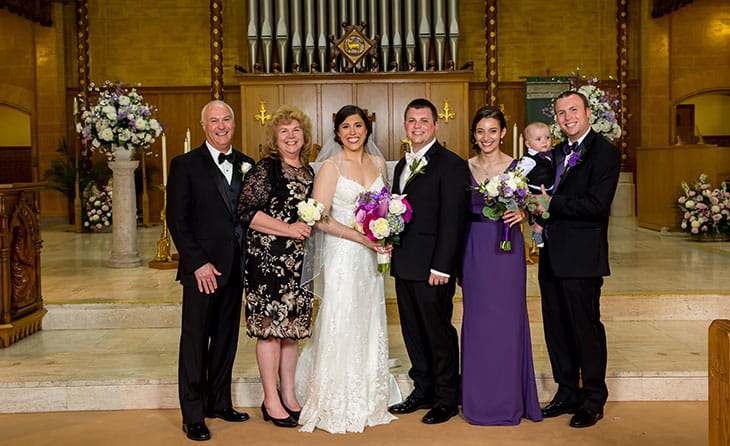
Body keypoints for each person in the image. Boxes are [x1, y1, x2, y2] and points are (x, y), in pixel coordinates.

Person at [295, 105, 397, 433]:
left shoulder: (378, 163)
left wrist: (383, 235)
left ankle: (369, 391)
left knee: (369, 317)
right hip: (343, 255)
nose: (352, 132)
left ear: (367, 129)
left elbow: (386, 209)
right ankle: (334, 395)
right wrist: (360, 237)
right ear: (337, 133)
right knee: (341, 316)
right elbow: (320, 217)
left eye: (358, 126)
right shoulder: (330, 166)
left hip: (370, 258)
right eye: (345, 127)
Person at [167, 100, 255, 441]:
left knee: (225, 339)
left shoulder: (248, 164)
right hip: (201, 269)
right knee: (194, 341)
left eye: (227, 120)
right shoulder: (185, 165)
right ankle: (193, 414)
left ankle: (219, 402)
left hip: (235, 268)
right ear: (204, 126)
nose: (221, 126)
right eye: (214, 121)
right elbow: (177, 220)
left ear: (234, 124)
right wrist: (198, 263)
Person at [534, 90, 620, 428]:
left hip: (583, 257)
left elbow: (596, 205)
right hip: (551, 255)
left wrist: (550, 204)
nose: (567, 117)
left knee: (586, 329)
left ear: (587, 112)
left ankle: (593, 399)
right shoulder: (553, 153)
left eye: (573, 110)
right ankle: (567, 392)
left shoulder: (605, 154)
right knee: (557, 329)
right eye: (560, 112)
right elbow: (535, 192)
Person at [460, 106, 542, 426]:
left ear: (504, 133)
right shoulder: (464, 166)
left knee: (508, 322)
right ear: (474, 134)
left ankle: (509, 400)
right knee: (478, 322)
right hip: (475, 248)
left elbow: (543, 203)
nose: (486, 137)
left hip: (506, 250)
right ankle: (478, 399)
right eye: (480, 131)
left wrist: (525, 213)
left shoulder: (520, 166)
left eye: (492, 131)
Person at [388, 98, 469, 424]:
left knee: (438, 333)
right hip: (405, 263)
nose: (417, 126)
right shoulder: (400, 166)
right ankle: (422, 389)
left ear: (436, 125)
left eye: (424, 120)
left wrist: (442, 267)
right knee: (413, 332)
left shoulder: (451, 164)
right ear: (405, 125)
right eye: (412, 120)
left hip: (433, 268)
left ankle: (447, 397)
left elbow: (453, 221)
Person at [236, 105, 315, 429]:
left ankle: (289, 395)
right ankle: (270, 399)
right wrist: (289, 229)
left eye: (296, 130)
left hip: (298, 263)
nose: (291, 136)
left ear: (304, 136)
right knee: (269, 331)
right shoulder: (265, 169)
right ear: (275, 138)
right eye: (284, 131)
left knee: (291, 333)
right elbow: (246, 211)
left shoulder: (309, 172)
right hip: (268, 262)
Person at [518, 121, 555, 248]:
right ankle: (537, 231)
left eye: (547, 138)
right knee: (546, 211)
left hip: (549, 189)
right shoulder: (529, 159)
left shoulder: (551, 154)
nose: (544, 142)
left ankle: (542, 229)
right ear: (528, 144)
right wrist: (526, 194)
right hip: (536, 191)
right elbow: (519, 175)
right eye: (538, 139)